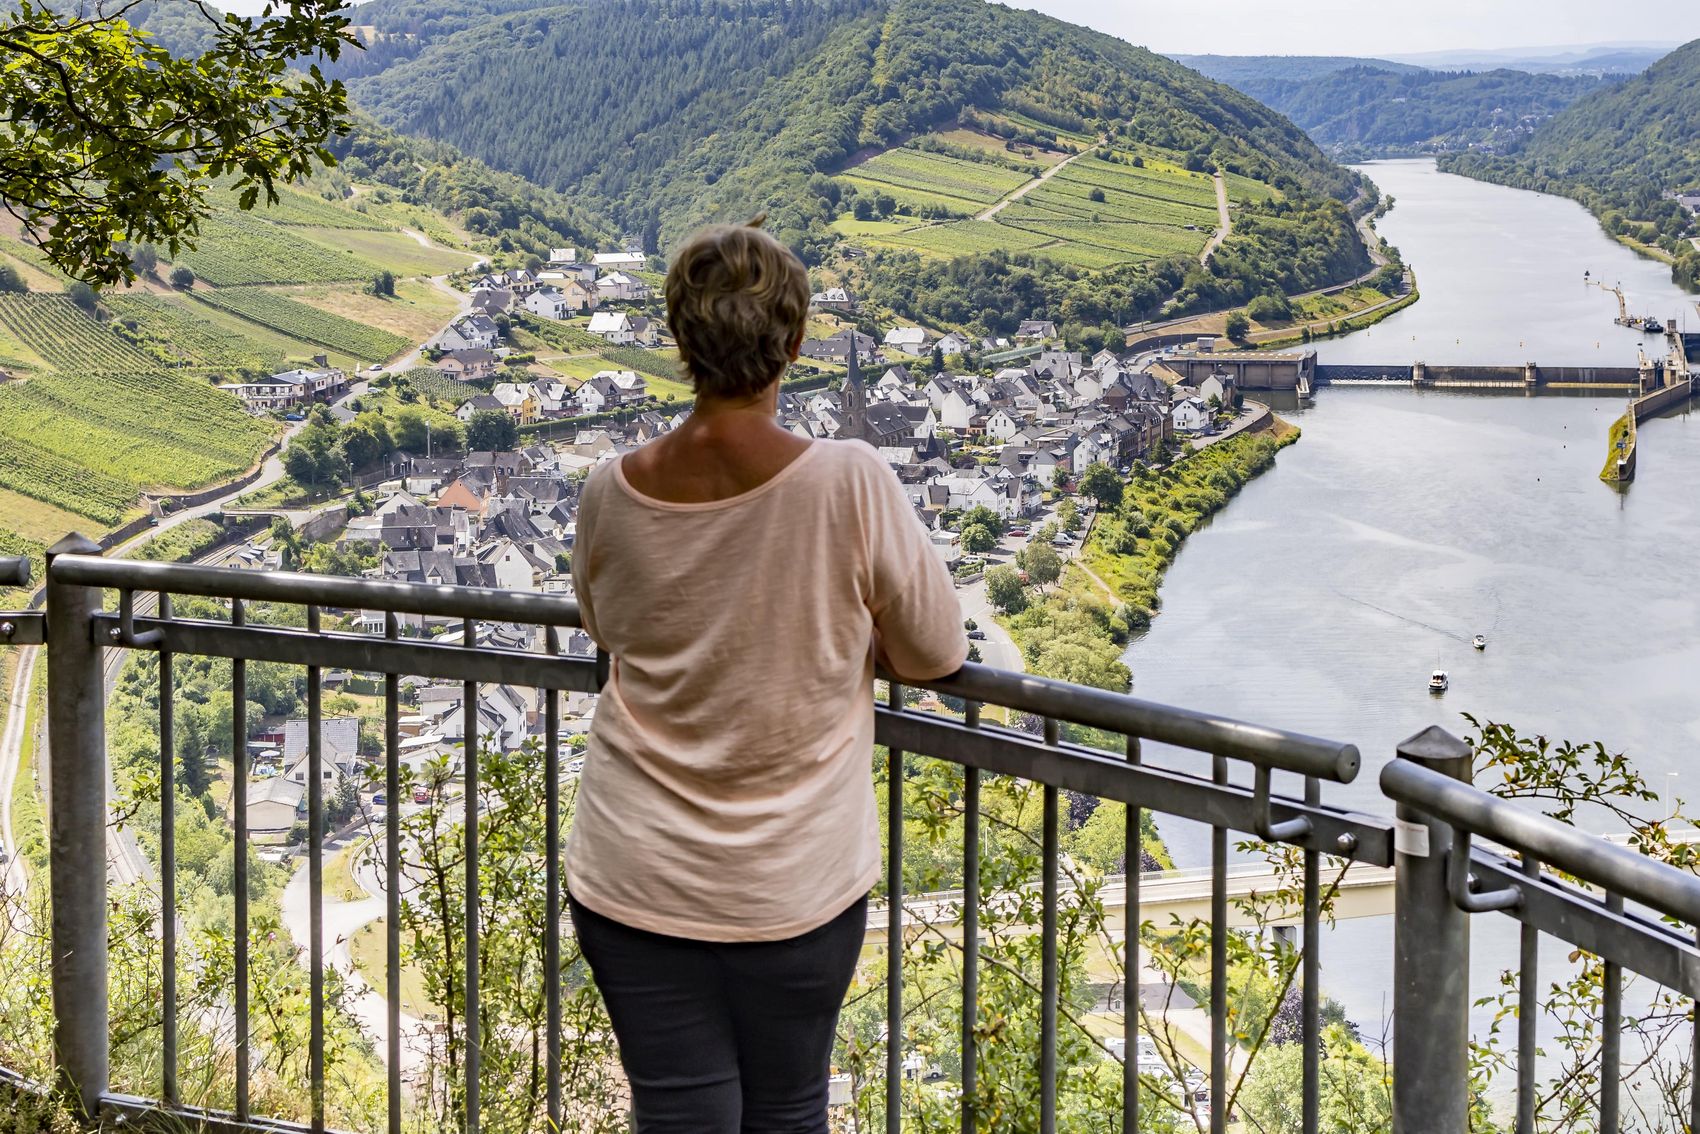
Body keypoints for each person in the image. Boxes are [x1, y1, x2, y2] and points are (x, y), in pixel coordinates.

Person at [564, 220, 968, 1133]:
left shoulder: (609, 489)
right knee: (788, 1112)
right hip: (792, 883)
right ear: (793, 341)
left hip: (634, 872)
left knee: (676, 1115)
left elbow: (605, 624)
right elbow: (937, 654)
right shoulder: (848, 481)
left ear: (680, 341)